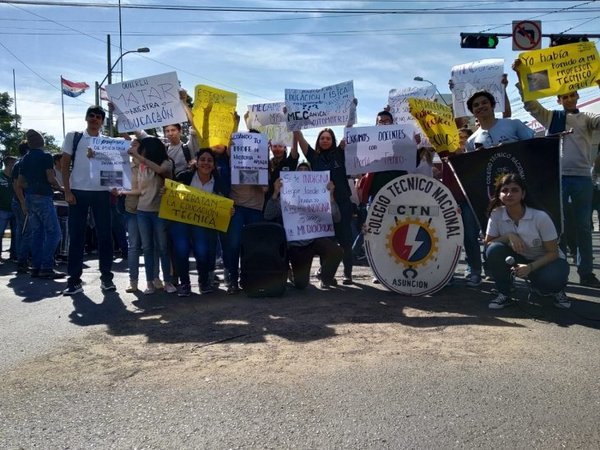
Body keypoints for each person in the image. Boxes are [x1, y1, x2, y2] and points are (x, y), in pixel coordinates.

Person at [513, 59, 600, 288]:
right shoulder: (553, 118)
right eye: (565, 96)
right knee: (556, 227)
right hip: (558, 179)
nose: (569, 99)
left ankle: (586, 273)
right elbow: (532, 106)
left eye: (573, 95)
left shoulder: (588, 119)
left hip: (582, 178)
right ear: (558, 99)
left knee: (583, 226)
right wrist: (522, 77)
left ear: (577, 97)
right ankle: (557, 269)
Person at [484, 174, 570, 309]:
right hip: (519, 259)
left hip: (546, 261)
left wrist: (530, 268)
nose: (509, 194)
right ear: (499, 195)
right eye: (504, 190)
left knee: (553, 278)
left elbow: (553, 253)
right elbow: (488, 244)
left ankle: (555, 290)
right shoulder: (496, 214)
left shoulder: (540, 217)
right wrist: (508, 236)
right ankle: (505, 293)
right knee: (494, 250)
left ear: (523, 194)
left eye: (514, 190)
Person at [60, 106, 115, 295]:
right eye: (92, 115)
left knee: (105, 237)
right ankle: (74, 281)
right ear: (86, 118)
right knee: (76, 237)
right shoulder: (74, 137)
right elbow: (64, 164)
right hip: (77, 191)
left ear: (102, 121)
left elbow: (113, 166)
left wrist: (115, 186)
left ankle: (107, 279)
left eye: (99, 117)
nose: (95, 119)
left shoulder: (108, 142)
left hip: (101, 192)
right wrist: (67, 191)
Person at [264, 162, 343, 289]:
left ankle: (324, 277)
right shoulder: (287, 195)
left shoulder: (321, 194)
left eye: (306, 169)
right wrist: (275, 192)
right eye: (300, 169)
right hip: (297, 245)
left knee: (336, 251)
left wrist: (331, 195)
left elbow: (337, 218)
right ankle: (293, 274)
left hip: (315, 238)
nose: (303, 171)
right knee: (301, 285)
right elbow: (268, 215)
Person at [294, 128, 354, 284]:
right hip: (321, 205)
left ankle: (348, 274)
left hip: (342, 202)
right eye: (322, 138)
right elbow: (300, 139)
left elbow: (350, 134)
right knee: (326, 240)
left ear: (333, 140)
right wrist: (293, 120)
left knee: (346, 239)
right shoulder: (314, 157)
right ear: (318, 141)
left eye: (328, 138)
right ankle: (326, 275)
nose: (325, 140)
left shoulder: (340, 153)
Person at [169, 148, 228, 297]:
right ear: (196, 161)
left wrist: (228, 211)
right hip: (181, 222)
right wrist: (166, 192)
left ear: (214, 165)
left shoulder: (218, 183)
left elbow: (224, 204)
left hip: (202, 225)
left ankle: (203, 281)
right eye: (203, 160)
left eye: (209, 160)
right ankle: (185, 284)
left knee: (202, 252)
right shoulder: (184, 177)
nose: (206, 163)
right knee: (181, 251)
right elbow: (172, 195)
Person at [128, 136, 175, 295]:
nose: (140, 151)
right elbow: (140, 190)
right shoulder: (141, 166)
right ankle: (149, 282)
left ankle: (167, 281)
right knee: (147, 248)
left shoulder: (166, 162)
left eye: (143, 148)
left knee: (163, 247)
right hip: (142, 211)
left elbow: (161, 171)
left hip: (160, 211)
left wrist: (138, 156)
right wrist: (122, 191)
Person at [17, 130, 65, 279]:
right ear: (41, 142)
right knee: (55, 233)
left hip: (30, 197)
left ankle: (36, 267)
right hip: (43, 196)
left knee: (37, 234)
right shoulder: (46, 156)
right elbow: (50, 178)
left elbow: (20, 183)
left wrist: (32, 186)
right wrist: (60, 188)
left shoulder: (24, 159)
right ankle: (46, 266)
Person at [464, 91, 534, 152]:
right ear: (472, 111)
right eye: (476, 105)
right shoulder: (470, 141)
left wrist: (513, 147)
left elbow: (534, 146)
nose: (480, 106)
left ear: (493, 106)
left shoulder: (514, 124)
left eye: (484, 103)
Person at [11, 141, 31, 273]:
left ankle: (21, 259)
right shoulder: (22, 164)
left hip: (18, 201)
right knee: (25, 232)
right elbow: (17, 185)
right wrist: (23, 202)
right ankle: (22, 262)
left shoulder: (18, 164)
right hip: (21, 202)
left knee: (21, 232)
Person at [0, 155, 16, 262]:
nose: (14, 164)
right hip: (2, 208)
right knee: (0, 232)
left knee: (16, 233)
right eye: (13, 162)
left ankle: (14, 255)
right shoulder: (0, 175)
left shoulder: (16, 176)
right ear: (8, 163)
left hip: (15, 208)